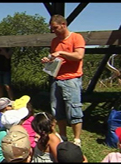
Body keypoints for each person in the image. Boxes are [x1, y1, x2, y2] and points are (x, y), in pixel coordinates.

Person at [41, 14, 85, 147]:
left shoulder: (76, 37)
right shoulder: (54, 41)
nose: (53, 31)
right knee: (57, 109)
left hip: (71, 78)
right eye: (52, 29)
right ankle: (63, 135)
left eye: (55, 28)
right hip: (56, 78)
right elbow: (54, 58)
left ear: (63, 25)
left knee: (74, 109)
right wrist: (48, 60)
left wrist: (61, 53)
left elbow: (78, 56)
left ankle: (77, 139)